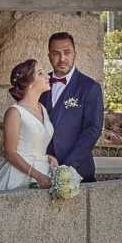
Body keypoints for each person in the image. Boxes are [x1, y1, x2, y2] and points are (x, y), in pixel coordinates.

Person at [0, 59, 57, 194]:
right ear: (29, 84)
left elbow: (35, 144)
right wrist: (38, 176)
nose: (48, 76)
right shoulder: (15, 112)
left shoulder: (42, 108)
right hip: (20, 175)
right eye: (40, 73)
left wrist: (48, 157)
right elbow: (10, 153)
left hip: (44, 171)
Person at [41, 31, 104, 182]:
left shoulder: (90, 87)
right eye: (56, 53)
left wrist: (67, 167)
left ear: (75, 54)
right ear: (49, 56)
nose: (62, 58)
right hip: (42, 170)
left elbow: (92, 130)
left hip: (78, 171)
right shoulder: (39, 85)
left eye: (67, 52)